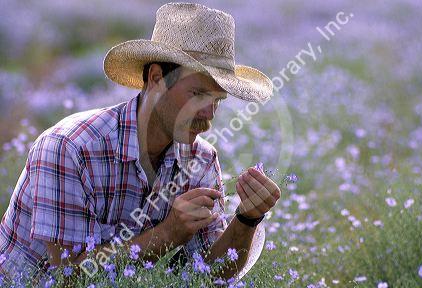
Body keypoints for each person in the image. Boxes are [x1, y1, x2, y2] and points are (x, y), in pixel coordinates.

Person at [0, 2, 280, 285]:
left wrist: (247, 219)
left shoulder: (201, 160)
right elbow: (68, 277)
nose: (208, 115)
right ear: (157, 78)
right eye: (197, 94)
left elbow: (208, 275)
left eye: (217, 101)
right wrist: (167, 235)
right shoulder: (70, 148)